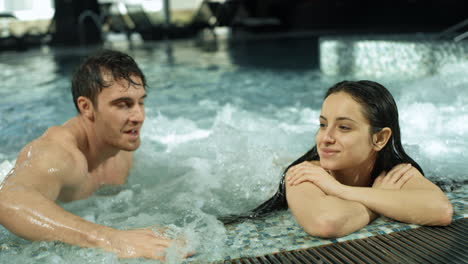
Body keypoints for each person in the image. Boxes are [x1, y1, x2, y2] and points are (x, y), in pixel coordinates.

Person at [0, 50, 177, 260]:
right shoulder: (59, 153)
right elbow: (8, 200)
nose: (139, 116)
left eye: (141, 102)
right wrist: (111, 239)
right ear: (86, 107)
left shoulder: (120, 145)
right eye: (123, 104)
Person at [222, 80, 453, 238]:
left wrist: (340, 191)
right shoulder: (305, 173)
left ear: (380, 138)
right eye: (323, 125)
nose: (325, 138)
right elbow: (326, 223)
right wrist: (383, 201)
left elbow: (441, 211)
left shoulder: (394, 172)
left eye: (343, 127)